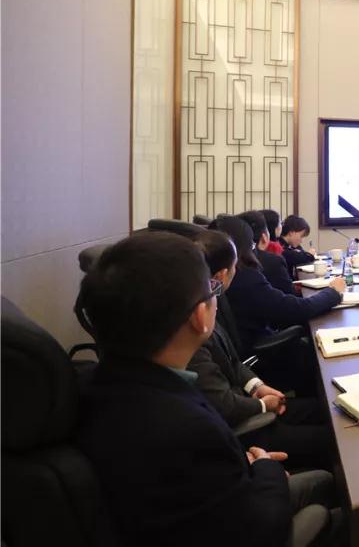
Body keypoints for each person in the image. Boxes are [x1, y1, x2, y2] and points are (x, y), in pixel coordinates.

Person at [76, 231, 337, 547]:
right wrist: (266, 468)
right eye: (211, 290)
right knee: (331, 498)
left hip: (194, 511)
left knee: (322, 477)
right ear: (200, 316)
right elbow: (261, 531)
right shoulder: (189, 428)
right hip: (243, 519)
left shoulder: (95, 383)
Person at [189, 229, 335, 471]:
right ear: (223, 274)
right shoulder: (192, 330)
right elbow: (223, 405)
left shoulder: (214, 301)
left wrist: (256, 387)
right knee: (334, 438)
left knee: (330, 410)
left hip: (248, 400)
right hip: (243, 427)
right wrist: (263, 405)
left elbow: (232, 361)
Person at [214, 216, 344, 355]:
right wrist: (333, 292)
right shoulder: (245, 278)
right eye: (251, 246)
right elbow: (297, 309)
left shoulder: (211, 277)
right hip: (264, 354)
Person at [239, 210, 294, 295]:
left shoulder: (235, 260)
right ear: (264, 237)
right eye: (280, 223)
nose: (281, 226)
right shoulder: (273, 260)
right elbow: (288, 293)